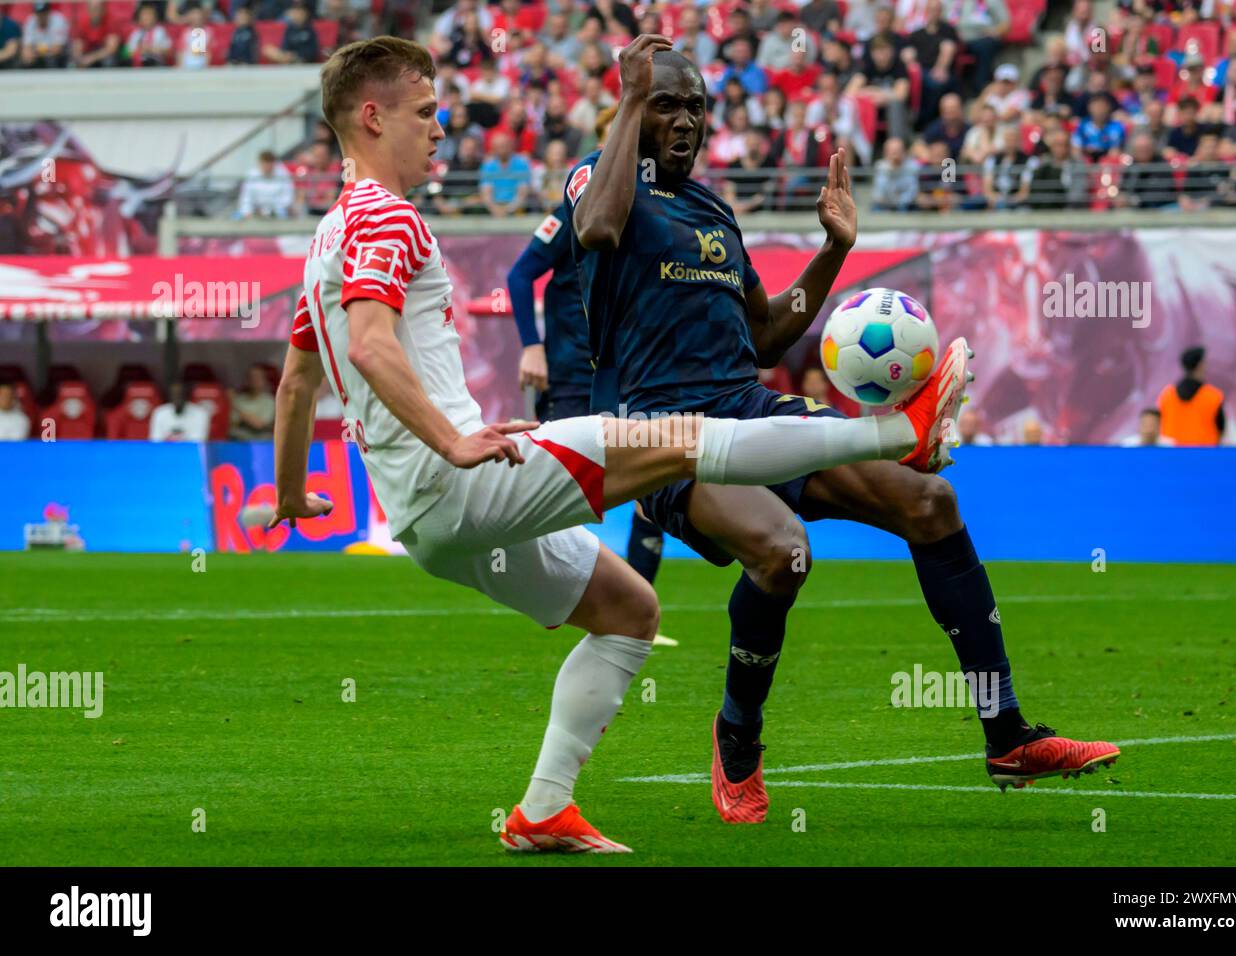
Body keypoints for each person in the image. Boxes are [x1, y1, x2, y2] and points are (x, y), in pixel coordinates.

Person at [274, 35, 963, 854]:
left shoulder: (328, 235)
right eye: (425, 112)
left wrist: (288, 496)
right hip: (460, 478)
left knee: (630, 611)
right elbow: (371, 346)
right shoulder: (385, 214)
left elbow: (295, 382)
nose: (440, 127)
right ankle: (896, 432)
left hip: (428, 520)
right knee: (675, 443)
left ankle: (542, 811)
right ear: (371, 116)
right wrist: (454, 441)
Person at [566, 42, 1118, 824]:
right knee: (783, 550)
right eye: (665, 104)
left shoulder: (713, 210)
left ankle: (1007, 734)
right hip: (658, 434)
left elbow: (764, 336)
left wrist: (834, 251)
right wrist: (629, 101)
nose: (684, 119)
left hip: (745, 406)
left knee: (932, 504)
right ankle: (738, 736)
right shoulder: (601, 181)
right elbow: (595, 230)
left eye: (695, 106)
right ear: (631, 108)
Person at [507, 104, 674, 640]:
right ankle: (562, 601)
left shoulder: (650, 215)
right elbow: (518, 276)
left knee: (655, 489)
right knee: (562, 491)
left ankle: (636, 610)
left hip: (631, 376)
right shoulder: (578, 208)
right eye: (609, 139)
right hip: (572, 376)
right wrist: (532, 347)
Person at [1157, 346, 1225, 446]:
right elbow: (1221, 428)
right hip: (1205, 455)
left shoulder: (1167, 395)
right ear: (1200, 365)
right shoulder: (1213, 396)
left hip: (1173, 456)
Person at [229, 366, 276, 441]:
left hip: (260, 443)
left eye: (258, 377)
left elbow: (259, 424)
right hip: (237, 441)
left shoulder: (269, 401)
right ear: (246, 380)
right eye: (251, 377)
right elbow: (232, 423)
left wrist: (234, 406)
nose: (254, 380)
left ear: (264, 381)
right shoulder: (239, 399)